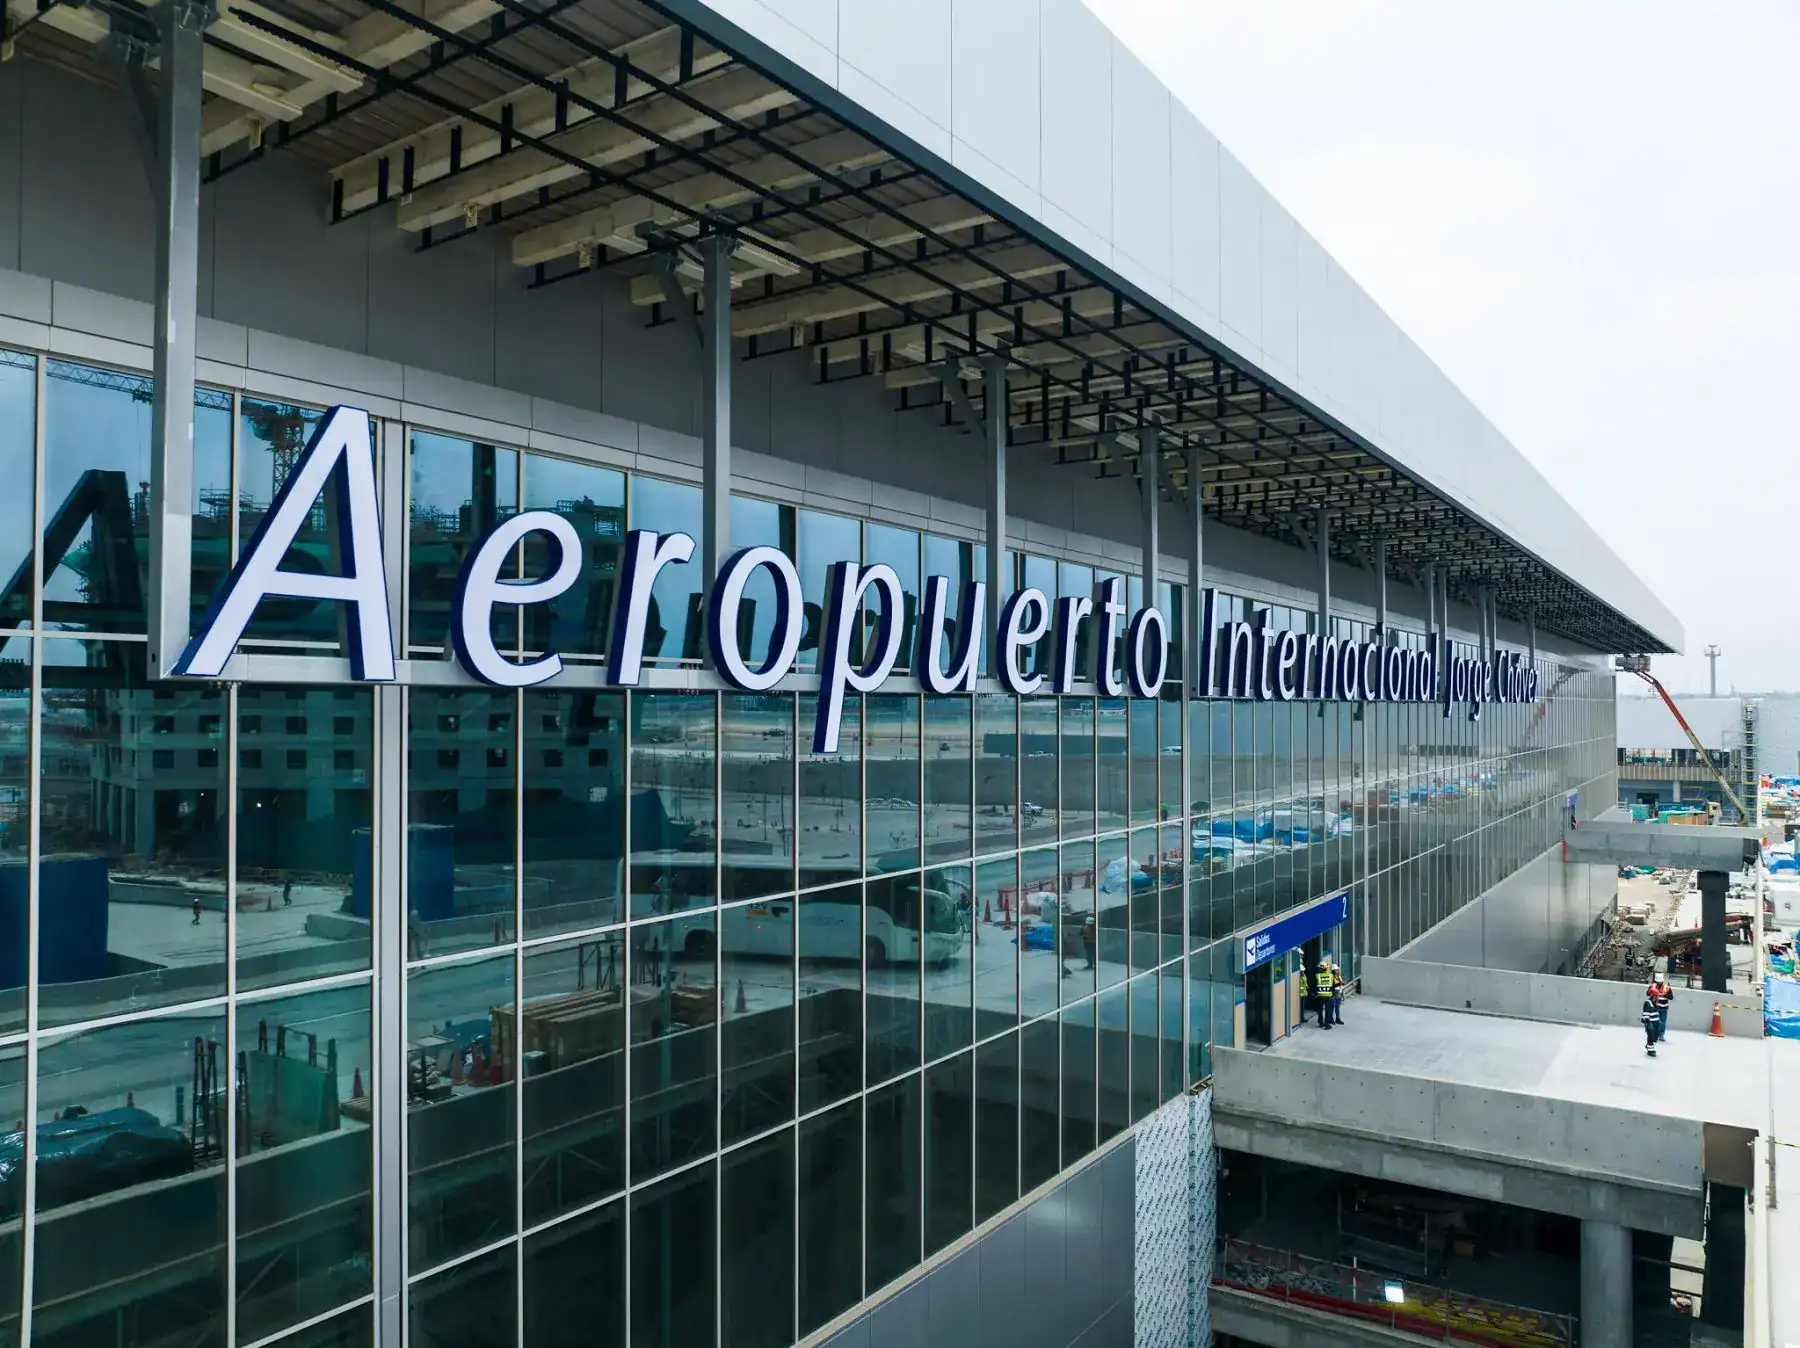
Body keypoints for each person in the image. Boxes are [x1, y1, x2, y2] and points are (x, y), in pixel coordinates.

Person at [1648, 977, 1674, 1043]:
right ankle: (1654, 1033)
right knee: (1654, 1021)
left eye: (1660, 982)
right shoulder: (1652, 986)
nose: (1659, 983)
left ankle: (1661, 1034)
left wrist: (1665, 995)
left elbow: (1671, 997)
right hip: (1654, 1007)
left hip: (1663, 1008)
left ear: (1662, 981)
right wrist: (1651, 992)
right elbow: (1647, 994)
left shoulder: (1667, 987)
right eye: (1657, 982)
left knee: (1662, 1022)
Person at [1324, 956, 1345, 1027]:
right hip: (1333, 994)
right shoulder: (1331, 977)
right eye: (1336, 970)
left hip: (1339, 993)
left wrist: (1342, 991)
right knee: (1332, 1007)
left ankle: (1337, 1018)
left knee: (1337, 1007)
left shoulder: (1339, 976)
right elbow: (1332, 985)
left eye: (1337, 970)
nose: (1337, 971)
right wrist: (1339, 983)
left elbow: (1342, 983)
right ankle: (1331, 1019)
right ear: (1333, 971)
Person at [1640, 990, 1661, 1058]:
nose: (1657, 997)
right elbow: (1645, 1013)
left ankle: (1649, 1046)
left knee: (1656, 1036)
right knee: (1651, 1036)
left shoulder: (1655, 1002)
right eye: (1656, 996)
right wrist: (1648, 1023)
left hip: (1656, 1022)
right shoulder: (1647, 1002)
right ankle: (1650, 1051)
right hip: (1650, 1022)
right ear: (1653, 995)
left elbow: (1656, 1012)